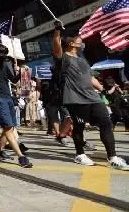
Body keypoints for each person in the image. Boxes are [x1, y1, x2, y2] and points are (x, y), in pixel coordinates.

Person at [52, 22, 128, 169]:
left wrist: (102, 89)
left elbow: (89, 77)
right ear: (72, 44)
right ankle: (80, 154)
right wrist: (57, 32)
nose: (82, 42)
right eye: (79, 40)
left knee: (105, 121)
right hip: (75, 99)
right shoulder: (63, 58)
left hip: (92, 97)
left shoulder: (81, 59)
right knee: (79, 126)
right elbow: (56, 47)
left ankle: (112, 157)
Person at [0, 44, 33, 168]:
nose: (3, 56)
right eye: (0, 54)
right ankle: (21, 157)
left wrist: (20, 73)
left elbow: (13, 80)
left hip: (8, 98)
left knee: (10, 126)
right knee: (8, 127)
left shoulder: (4, 64)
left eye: (5, 53)